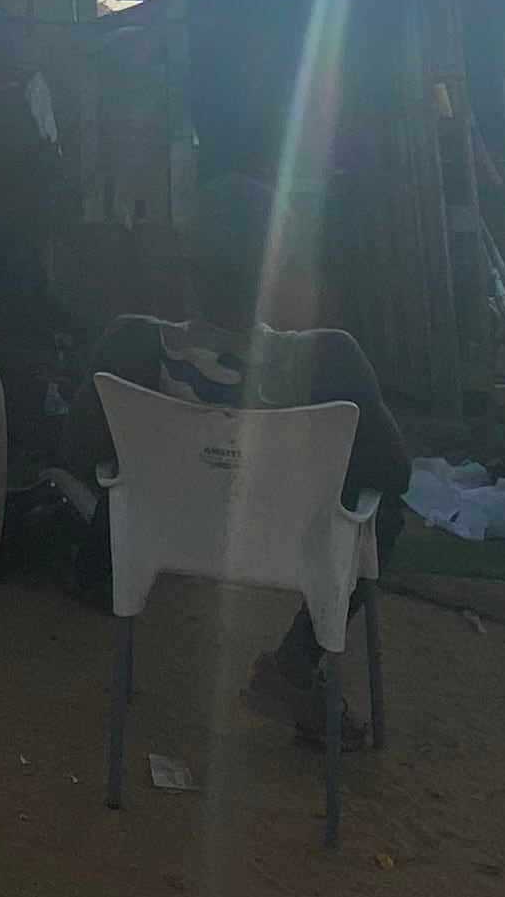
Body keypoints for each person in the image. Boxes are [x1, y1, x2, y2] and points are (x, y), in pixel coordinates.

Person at [76, 174, 408, 745]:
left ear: (190, 262)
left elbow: (76, 450)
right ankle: (294, 667)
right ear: (276, 268)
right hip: (282, 543)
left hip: (165, 535)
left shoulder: (130, 345)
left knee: (119, 472)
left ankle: (97, 575)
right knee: (384, 514)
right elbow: (393, 474)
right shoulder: (331, 360)